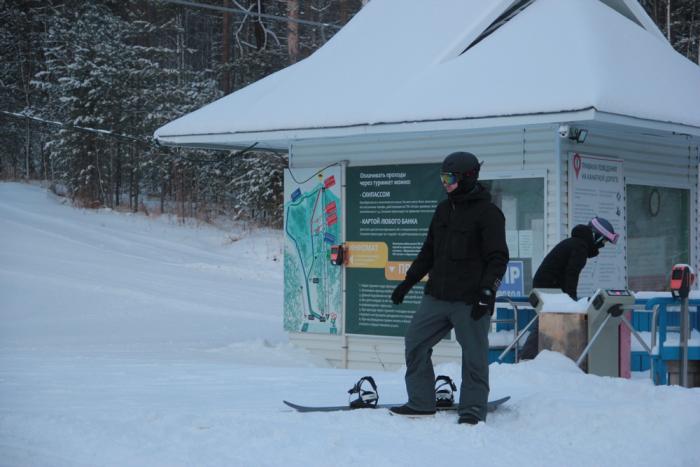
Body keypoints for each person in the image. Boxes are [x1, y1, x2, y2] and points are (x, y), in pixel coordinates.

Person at [389, 151, 509, 425]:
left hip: (470, 300)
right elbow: (428, 251)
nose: (445, 183)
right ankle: (421, 402)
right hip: (437, 297)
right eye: (443, 177)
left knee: (474, 356)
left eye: (450, 178)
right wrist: (408, 282)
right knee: (415, 342)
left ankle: (472, 410)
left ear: (468, 178)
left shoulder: (489, 214)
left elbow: (498, 258)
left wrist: (487, 292)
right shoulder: (444, 209)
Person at [519, 217, 619, 360]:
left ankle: (537, 357)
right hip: (550, 287)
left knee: (548, 324)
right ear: (596, 236)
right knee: (546, 324)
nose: (602, 245)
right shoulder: (580, 247)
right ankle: (527, 357)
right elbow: (571, 275)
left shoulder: (576, 243)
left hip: (548, 285)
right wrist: (571, 301)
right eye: (603, 241)